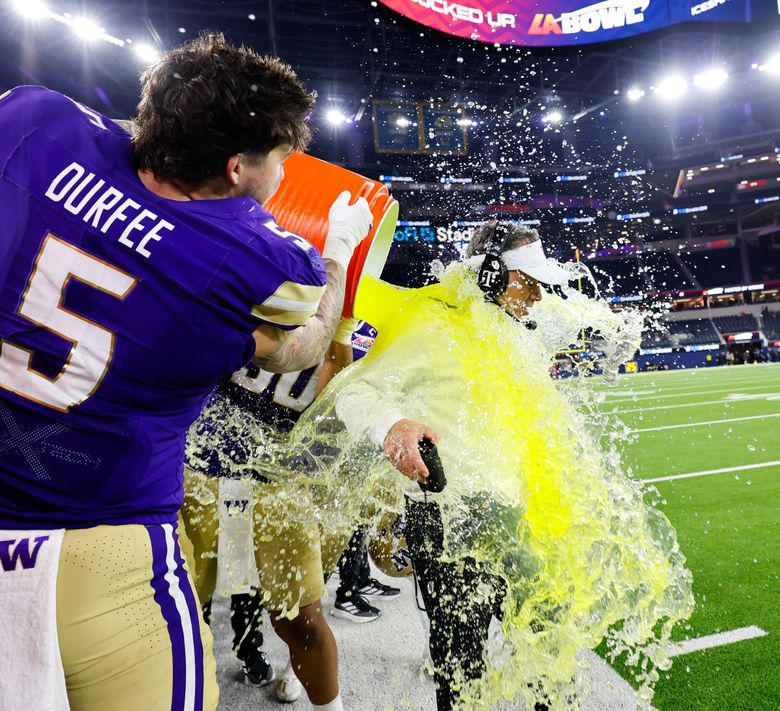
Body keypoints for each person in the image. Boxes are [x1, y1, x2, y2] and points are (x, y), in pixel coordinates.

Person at [0, 32, 373, 711]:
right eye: (280, 161)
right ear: (236, 169)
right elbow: (304, 345)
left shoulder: (35, 118)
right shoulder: (265, 263)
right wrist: (339, 255)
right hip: (102, 539)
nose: (284, 178)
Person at [288, 220, 692, 710]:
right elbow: (355, 388)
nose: (540, 295)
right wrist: (391, 426)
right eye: (531, 280)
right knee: (461, 663)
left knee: (547, 645)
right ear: (494, 273)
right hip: (449, 517)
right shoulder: (433, 321)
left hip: (516, 514)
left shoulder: (514, 330)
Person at [180, 316, 398, 711]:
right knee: (188, 604)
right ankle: (233, 661)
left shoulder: (358, 318)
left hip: (287, 482)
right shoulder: (255, 282)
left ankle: (302, 681)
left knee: (300, 616)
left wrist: (340, 338)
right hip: (204, 463)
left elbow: (339, 405)